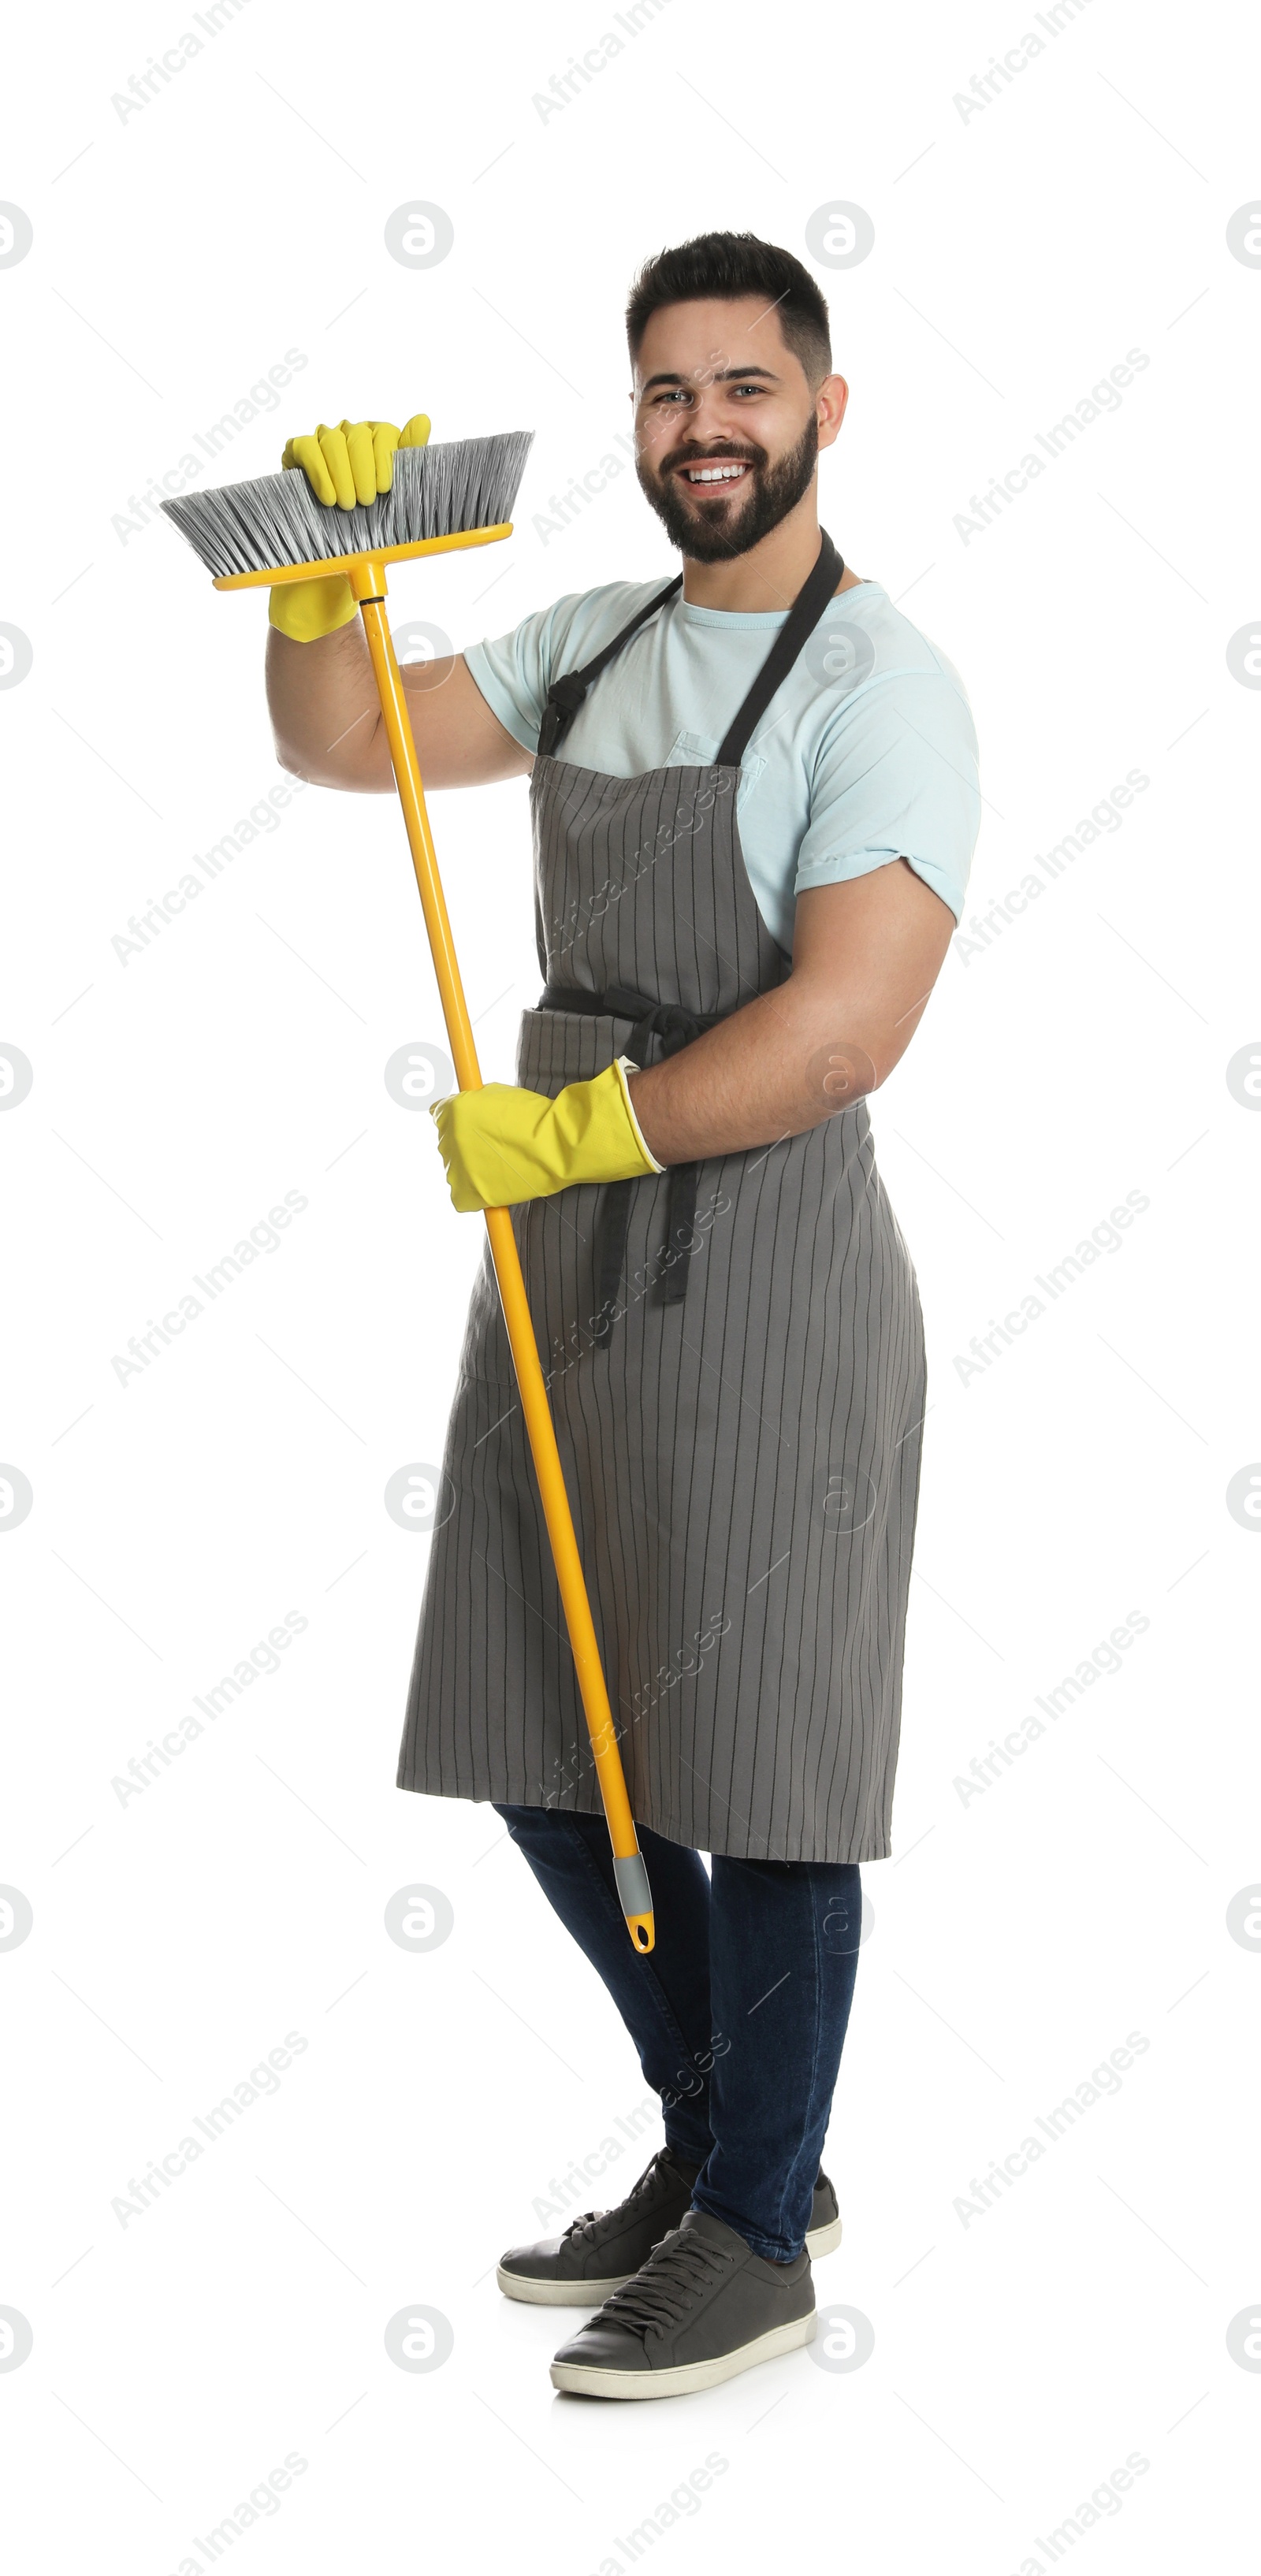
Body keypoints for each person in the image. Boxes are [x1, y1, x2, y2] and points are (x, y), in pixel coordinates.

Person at [266, 229, 981, 2401]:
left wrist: (582, 1135)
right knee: (540, 1729)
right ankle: (733, 2138)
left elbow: (850, 1031)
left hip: (757, 1269)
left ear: (824, 410)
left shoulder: (888, 691)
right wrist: (321, 580)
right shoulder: (593, 643)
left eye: (747, 389)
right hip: (561, 1279)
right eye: (670, 394)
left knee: (757, 1769)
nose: (707, 429)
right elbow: (350, 748)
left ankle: (758, 2226)